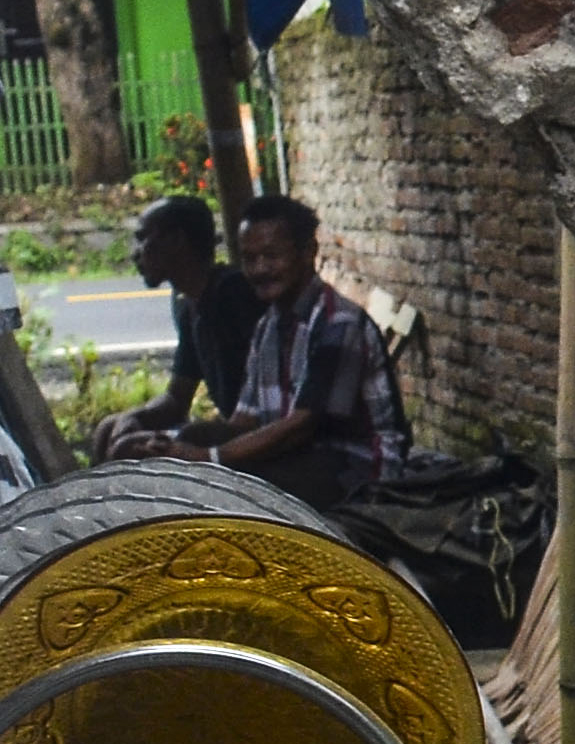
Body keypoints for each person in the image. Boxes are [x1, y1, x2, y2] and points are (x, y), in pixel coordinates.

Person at [178, 196, 412, 515]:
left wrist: (211, 458)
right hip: (299, 457)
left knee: (245, 486)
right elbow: (244, 420)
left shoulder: (339, 323)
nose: (260, 269)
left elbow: (303, 426)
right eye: (249, 258)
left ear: (308, 253)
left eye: (272, 256)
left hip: (355, 468)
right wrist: (176, 444)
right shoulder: (268, 325)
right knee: (193, 439)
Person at [92, 194, 262, 459]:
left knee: (129, 448)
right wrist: (135, 416)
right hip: (231, 427)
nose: (136, 253)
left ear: (176, 241)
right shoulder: (189, 305)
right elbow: (177, 399)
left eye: (143, 238)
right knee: (110, 427)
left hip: (252, 431)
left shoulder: (232, 293)